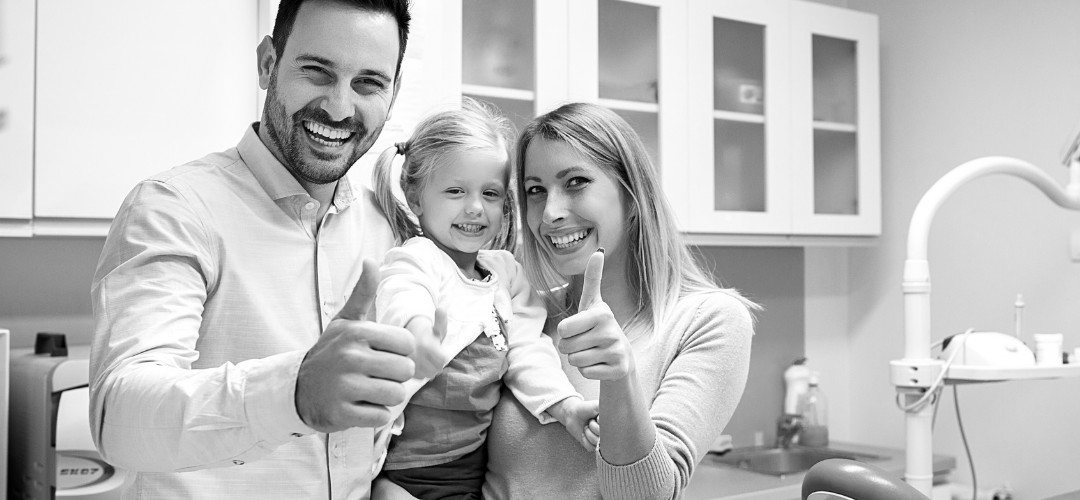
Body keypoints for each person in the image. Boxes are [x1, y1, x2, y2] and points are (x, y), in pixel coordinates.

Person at [88, 1, 417, 498]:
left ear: (392, 94)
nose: (339, 108)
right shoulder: (175, 208)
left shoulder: (387, 227)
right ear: (268, 64)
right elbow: (121, 417)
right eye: (316, 71)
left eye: (368, 83)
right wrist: (296, 391)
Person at [483, 102, 758, 500]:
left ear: (631, 193)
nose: (550, 214)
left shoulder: (709, 321)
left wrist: (619, 378)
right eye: (536, 191)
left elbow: (646, 496)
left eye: (576, 182)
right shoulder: (521, 313)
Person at [368, 98, 598, 500]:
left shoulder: (506, 274)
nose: (475, 208)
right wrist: (417, 334)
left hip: (471, 469)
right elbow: (404, 294)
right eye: (456, 191)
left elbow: (528, 349)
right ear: (416, 196)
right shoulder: (419, 259)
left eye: (490, 193)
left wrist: (566, 407)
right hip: (405, 472)